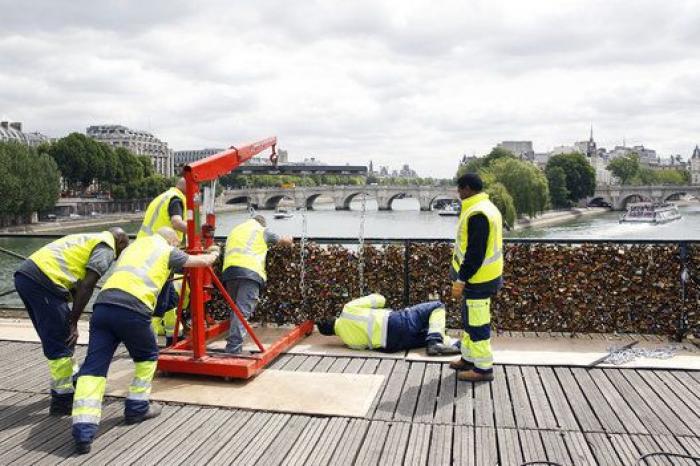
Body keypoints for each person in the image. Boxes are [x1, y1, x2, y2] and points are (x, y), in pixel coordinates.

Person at [71, 227, 219, 454]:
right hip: (133, 308)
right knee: (147, 356)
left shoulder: (133, 247)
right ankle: (137, 407)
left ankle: (83, 429)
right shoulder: (165, 249)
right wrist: (214, 252)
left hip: (103, 306)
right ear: (172, 241)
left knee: (94, 367)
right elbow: (198, 262)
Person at [13, 228, 129, 416]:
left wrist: (71, 314)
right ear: (121, 244)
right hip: (44, 283)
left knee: (58, 335)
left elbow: (76, 281)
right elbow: (87, 285)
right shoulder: (106, 248)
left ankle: (72, 383)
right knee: (61, 341)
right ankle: (62, 401)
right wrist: (74, 322)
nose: (116, 259)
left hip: (28, 276)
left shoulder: (89, 238)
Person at [450, 173, 504, 382]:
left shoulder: (478, 213)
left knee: (478, 323)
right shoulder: (486, 207)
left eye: (460, 189)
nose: (458, 194)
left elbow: (475, 253)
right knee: (469, 320)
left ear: (468, 188)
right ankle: (469, 358)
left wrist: (461, 278)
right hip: (482, 276)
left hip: (478, 279)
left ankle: (483, 369)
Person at [221, 215, 292, 354]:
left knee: (236, 311)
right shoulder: (260, 230)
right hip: (249, 273)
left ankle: (233, 345)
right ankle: (233, 349)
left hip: (229, 273)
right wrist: (290, 238)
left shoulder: (235, 229)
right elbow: (283, 241)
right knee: (242, 312)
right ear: (262, 223)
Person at [316, 293, 459, 355]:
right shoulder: (348, 309)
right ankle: (435, 341)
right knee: (437, 306)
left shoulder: (349, 342)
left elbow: (366, 347)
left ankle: (452, 345)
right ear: (333, 317)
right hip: (395, 322)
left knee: (429, 337)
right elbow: (380, 300)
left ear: (331, 334)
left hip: (393, 345)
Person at [138, 178, 187, 340]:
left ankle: (173, 338)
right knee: (160, 300)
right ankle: (147, 340)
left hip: (147, 250)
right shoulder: (176, 199)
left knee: (170, 297)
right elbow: (176, 222)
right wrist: (198, 230)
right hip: (158, 254)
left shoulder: (162, 197)